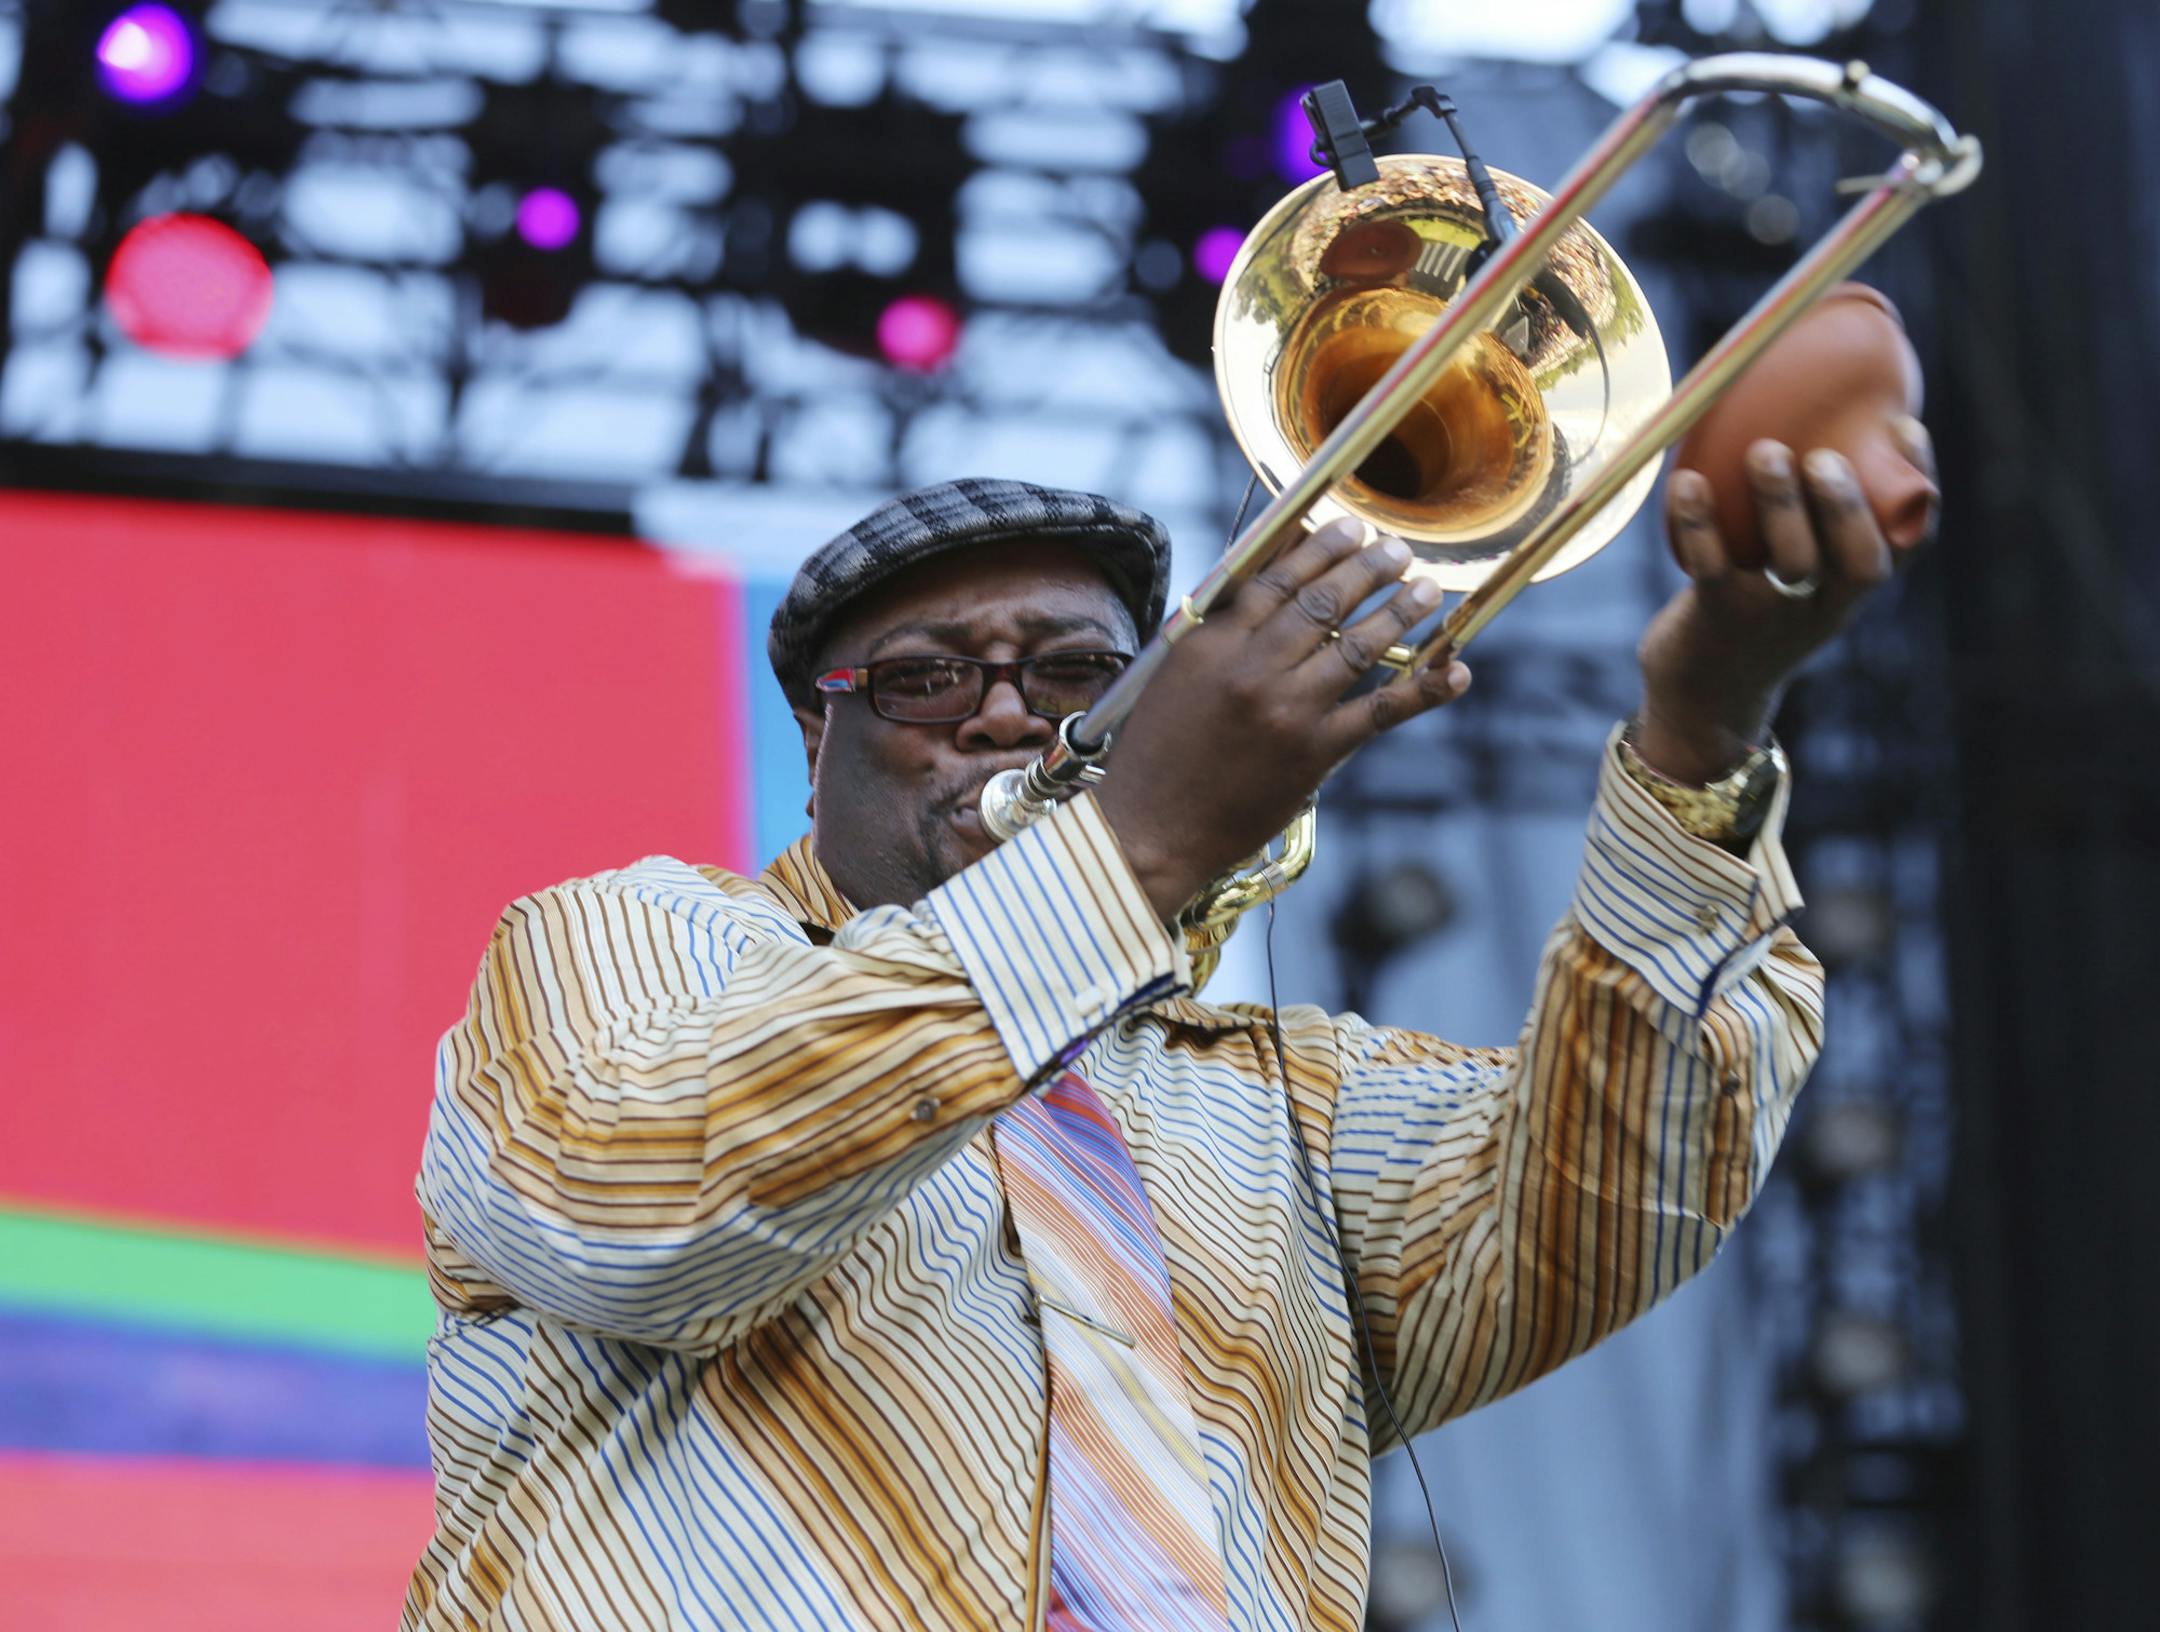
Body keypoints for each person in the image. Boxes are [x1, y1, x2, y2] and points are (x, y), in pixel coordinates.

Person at [404, 439, 1933, 1631]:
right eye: (928, 679)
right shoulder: (641, 944)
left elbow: (1611, 1201)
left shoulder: (1286, 1099)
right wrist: (1134, 850)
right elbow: (634, 1206)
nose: (1007, 715)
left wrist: (1703, 728)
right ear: (820, 740)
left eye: (1078, 672)